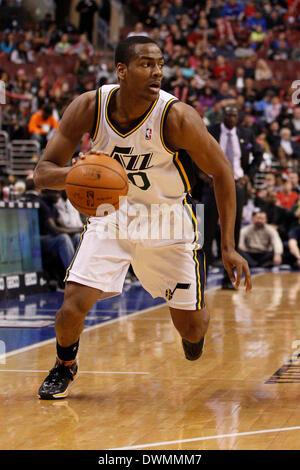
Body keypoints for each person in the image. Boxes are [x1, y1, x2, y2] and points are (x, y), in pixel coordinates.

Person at [33, 36, 251, 400]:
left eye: (161, 65)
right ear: (121, 70)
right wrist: (82, 172)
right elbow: (42, 173)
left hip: (168, 219)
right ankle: (64, 365)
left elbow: (223, 173)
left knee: (193, 331)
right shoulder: (89, 106)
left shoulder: (177, 117)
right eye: (147, 64)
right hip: (111, 217)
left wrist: (228, 247)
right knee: (71, 307)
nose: (158, 73)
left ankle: (193, 320)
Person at [204, 105, 262, 288]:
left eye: (234, 114)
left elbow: (258, 154)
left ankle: (228, 279)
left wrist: (248, 176)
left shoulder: (246, 134)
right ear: (223, 116)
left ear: (238, 117)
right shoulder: (210, 131)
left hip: (236, 185)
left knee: (232, 232)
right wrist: (203, 176)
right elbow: (194, 153)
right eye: (228, 114)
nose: (231, 117)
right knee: (206, 231)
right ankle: (201, 278)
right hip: (212, 184)